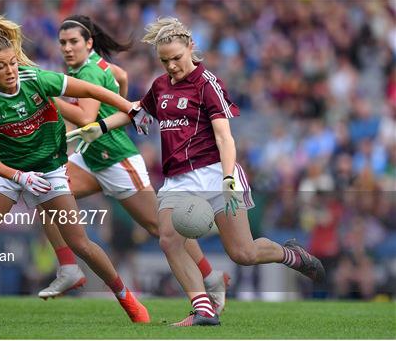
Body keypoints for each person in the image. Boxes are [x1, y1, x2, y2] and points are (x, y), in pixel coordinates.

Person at [66, 17, 326, 327]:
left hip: (216, 173)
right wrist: (100, 127)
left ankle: (290, 254)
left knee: (243, 253)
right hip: (178, 179)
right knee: (168, 239)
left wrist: (228, 177)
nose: (172, 66)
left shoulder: (207, 84)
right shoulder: (161, 85)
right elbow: (138, 111)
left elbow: (224, 137)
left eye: (176, 58)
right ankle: (203, 310)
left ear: (191, 47)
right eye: (165, 61)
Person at [0, 15, 150, 324]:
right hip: (6, 171)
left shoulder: (36, 78)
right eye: (1, 67)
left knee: (80, 242)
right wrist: (18, 176)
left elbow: (91, 92)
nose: (11, 71)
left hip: (48, 169)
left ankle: (128, 300)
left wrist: (129, 108)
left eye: (13, 63)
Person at [36, 15, 230, 315]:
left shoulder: (88, 72)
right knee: (47, 192)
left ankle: (209, 275)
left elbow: (86, 118)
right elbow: (121, 75)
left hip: (118, 160)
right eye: (62, 42)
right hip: (90, 157)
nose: (67, 48)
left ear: (89, 43)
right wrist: (120, 104)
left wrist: (46, 98)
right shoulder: (96, 66)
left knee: (160, 227)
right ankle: (68, 267)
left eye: (73, 41)